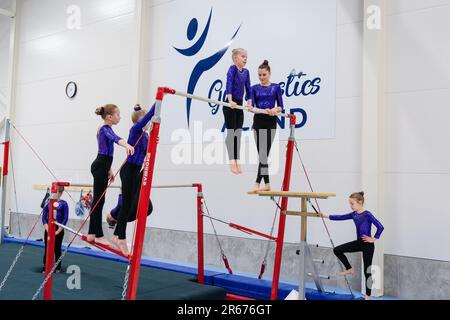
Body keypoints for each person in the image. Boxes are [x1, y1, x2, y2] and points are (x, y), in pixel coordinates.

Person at [320, 191, 385, 300]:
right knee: (337, 250)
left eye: (352, 203)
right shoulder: (353, 214)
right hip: (359, 243)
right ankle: (349, 269)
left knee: (367, 271)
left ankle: (368, 296)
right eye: (350, 203)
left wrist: (373, 238)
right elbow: (340, 217)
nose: (350, 206)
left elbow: (380, 227)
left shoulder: (367, 214)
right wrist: (326, 215)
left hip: (368, 245)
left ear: (360, 202)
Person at [111, 104, 155, 256]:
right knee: (127, 204)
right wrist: (159, 101)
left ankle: (117, 234)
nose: (149, 122)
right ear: (140, 120)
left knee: (132, 205)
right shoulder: (135, 130)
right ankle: (120, 237)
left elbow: (149, 151)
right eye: (146, 120)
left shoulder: (146, 136)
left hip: (137, 171)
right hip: (129, 169)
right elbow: (150, 116)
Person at [88, 104, 134, 246]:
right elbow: (114, 138)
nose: (119, 117)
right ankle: (98, 235)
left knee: (98, 200)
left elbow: (105, 151)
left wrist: (109, 170)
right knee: (98, 201)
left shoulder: (106, 129)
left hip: (103, 166)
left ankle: (91, 234)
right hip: (100, 166)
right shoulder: (104, 129)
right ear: (109, 117)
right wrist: (126, 145)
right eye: (118, 114)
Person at [248, 60, 283, 192]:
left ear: (269, 73)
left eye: (264, 75)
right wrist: (250, 106)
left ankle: (258, 183)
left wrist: (275, 110)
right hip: (258, 122)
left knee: (264, 154)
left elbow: (281, 106)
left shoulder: (276, 87)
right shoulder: (254, 88)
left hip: (270, 122)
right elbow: (251, 104)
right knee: (262, 155)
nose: (262, 77)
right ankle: (266, 184)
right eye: (260, 75)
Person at [224, 48, 252, 174]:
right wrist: (230, 100)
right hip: (230, 104)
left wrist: (250, 102)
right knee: (231, 133)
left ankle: (237, 159)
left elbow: (248, 88)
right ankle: (231, 161)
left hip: (239, 105)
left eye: (246, 57)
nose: (245, 59)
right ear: (235, 59)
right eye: (243, 56)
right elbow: (229, 83)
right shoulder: (232, 69)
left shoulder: (246, 72)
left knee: (238, 133)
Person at [42, 186, 68, 273]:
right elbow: (44, 217)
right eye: (55, 192)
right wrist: (47, 229)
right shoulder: (48, 202)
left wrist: (58, 231)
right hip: (49, 228)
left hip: (59, 228)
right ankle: (46, 266)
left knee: (57, 248)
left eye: (58, 192)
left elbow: (65, 218)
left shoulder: (64, 204)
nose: (56, 194)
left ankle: (58, 267)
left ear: (61, 193)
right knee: (47, 248)